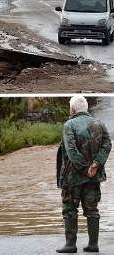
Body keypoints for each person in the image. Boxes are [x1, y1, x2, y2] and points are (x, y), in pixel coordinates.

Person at [56, 96, 111, 253]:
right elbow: (107, 145)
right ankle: (93, 245)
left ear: (73, 109)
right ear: (85, 108)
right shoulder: (100, 124)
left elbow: (71, 151)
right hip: (94, 177)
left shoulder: (69, 125)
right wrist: (95, 165)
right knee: (92, 209)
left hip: (72, 178)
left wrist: (84, 168)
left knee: (69, 209)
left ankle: (70, 245)